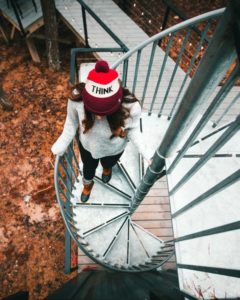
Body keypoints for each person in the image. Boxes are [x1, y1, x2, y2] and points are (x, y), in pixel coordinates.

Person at [51, 60, 151, 202]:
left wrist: (145, 151)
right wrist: (62, 142)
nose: (98, 116)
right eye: (93, 109)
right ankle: (88, 185)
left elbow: (133, 128)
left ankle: (107, 169)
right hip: (88, 148)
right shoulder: (77, 100)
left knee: (109, 163)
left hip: (114, 148)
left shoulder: (129, 106)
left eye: (105, 110)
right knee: (88, 169)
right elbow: (71, 122)